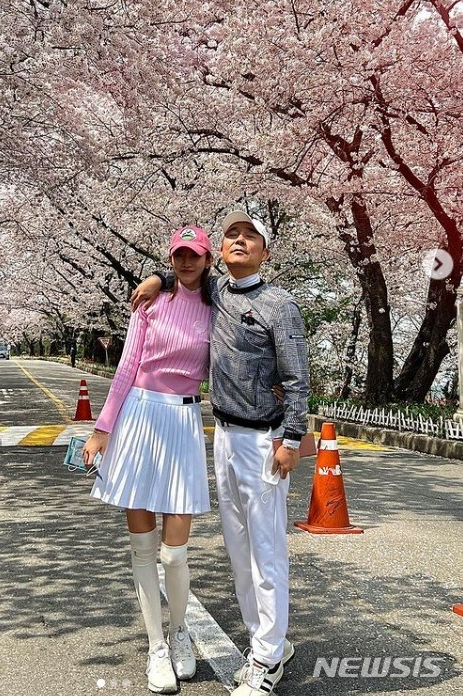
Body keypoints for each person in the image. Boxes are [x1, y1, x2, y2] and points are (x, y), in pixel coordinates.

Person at [132, 211, 309, 696]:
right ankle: (266, 643)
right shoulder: (217, 293)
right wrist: (157, 278)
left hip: (264, 442)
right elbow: (187, 271)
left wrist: (292, 439)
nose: (239, 241)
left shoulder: (280, 303)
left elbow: (296, 378)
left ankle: (268, 661)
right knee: (238, 549)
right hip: (223, 435)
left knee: (267, 551)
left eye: (250, 236)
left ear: (265, 252)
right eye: (231, 235)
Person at [83, 226, 213, 695]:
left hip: (183, 423)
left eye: (194, 255)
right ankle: (157, 645)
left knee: (174, 552)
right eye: (178, 255)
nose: (185, 262)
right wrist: (102, 430)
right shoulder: (149, 303)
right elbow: (126, 367)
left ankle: (181, 633)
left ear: (207, 259)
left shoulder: (216, 308)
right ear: (171, 258)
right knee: (142, 549)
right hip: (138, 417)